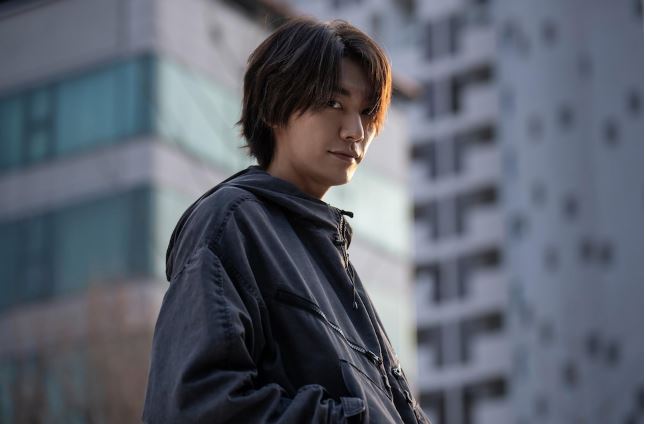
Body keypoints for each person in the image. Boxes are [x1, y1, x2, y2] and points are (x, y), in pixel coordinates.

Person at [142, 17, 431, 424]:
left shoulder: (330, 252)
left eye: (367, 112)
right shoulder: (232, 222)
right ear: (276, 106)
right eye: (334, 104)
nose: (356, 131)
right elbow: (195, 404)